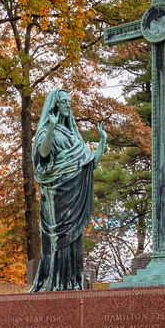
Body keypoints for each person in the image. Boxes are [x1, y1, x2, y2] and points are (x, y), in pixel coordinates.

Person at [29, 89, 106, 292]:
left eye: (69, 102)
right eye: (63, 102)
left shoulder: (74, 136)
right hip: (55, 196)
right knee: (57, 242)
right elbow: (43, 156)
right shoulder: (46, 132)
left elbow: (90, 165)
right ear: (55, 105)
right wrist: (52, 127)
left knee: (73, 239)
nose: (67, 105)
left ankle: (71, 283)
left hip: (74, 194)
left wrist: (102, 141)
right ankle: (55, 283)